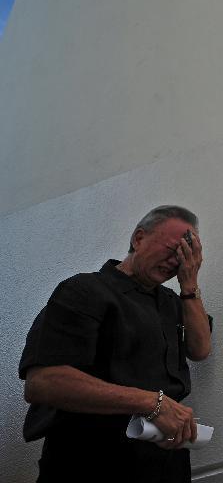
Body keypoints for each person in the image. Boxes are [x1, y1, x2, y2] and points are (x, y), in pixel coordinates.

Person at [19, 205, 213, 482]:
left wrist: (189, 285)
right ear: (138, 238)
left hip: (165, 463)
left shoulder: (173, 303)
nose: (175, 262)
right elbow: (43, 382)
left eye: (184, 256)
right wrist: (151, 402)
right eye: (171, 250)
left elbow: (200, 349)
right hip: (91, 461)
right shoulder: (84, 291)